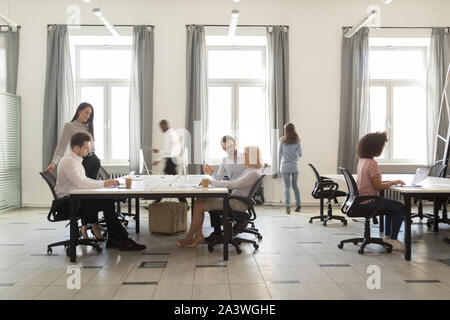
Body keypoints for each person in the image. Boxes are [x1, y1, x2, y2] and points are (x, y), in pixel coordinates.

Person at [55, 132, 146, 251]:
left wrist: (104, 183)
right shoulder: (68, 162)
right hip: (69, 203)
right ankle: (121, 239)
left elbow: (85, 180)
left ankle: (116, 239)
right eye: (86, 148)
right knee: (106, 202)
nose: (88, 150)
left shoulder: (76, 160)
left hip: (76, 199)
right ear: (77, 148)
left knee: (107, 200)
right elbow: (81, 184)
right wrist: (103, 183)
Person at [176, 146, 262, 248]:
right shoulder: (251, 170)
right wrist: (214, 181)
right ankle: (198, 236)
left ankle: (189, 238)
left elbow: (234, 184)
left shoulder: (253, 173)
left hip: (235, 204)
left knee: (199, 206)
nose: (243, 156)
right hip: (233, 199)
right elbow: (233, 183)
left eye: (245, 154)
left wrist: (212, 182)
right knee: (200, 200)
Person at [45, 102, 102, 240]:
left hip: (92, 160)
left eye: (90, 114)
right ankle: (91, 226)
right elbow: (62, 146)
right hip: (81, 163)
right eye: (86, 112)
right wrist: (54, 162)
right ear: (79, 111)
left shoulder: (88, 126)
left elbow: (91, 147)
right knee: (86, 194)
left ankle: (85, 227)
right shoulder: (69, 126)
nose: (88, 116)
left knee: (91, 194)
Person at [355, 131, 406, 251]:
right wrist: (393, 183)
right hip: (370, 201)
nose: (382, 150)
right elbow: (377, 186)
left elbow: (373, 182)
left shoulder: (362, 161)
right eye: (381, 147)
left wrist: (390, 181)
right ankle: (392, 239)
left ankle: (388, 238)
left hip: (361, 200)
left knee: (390, 207)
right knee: (399, 207)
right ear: (374, 147)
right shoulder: (372, 163)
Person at [202, 135, 247, 241]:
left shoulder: (244, 157)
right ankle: (217, 231)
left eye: (231, 146)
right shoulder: (224, 160)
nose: (229, 150)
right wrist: (211, 173)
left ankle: (238, 220)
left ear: (235, 144)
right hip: (232, 188)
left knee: (213, 201)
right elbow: (219, 177)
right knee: (211, 199)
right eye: (226, 148)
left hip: (242, 190)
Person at [152, 119, 186, 203]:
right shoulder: (171, 133)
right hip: (171, 160)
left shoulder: (170, 134)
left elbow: (170, 152)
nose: (161, 129)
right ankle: (184, 203)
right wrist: (159, 157)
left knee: (165, 182)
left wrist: (158, 156)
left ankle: (156, 203)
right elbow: (169, 151)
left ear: (165, 126)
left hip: (171, 161)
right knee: (172, 183)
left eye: (161, 127)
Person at [279, 123, 302, 214]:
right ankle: (298, 205)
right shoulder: (297, 140)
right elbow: (300, 154)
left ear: (285, 130)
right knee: (295, 186)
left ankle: (288, 207)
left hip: (284, 166)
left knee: (287, 187)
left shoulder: (282, 140)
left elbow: (279, 153)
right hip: (294, 166)